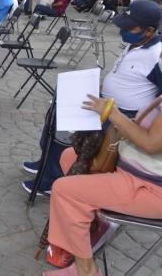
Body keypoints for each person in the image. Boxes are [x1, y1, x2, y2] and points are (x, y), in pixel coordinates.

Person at [23, 0, 162, 196]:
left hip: (120, 115)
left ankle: (51, 180)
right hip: (102, 102)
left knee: (65, 132)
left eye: (129, 27)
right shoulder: (134, 43)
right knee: (58, 109)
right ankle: (46, 162)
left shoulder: (157, 55)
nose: (122, 30)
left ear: (148, 31)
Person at [43, 92, 162, 276]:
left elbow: (151, 144)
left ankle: (86, 271)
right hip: (132, 168)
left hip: (150, 187)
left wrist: (112, 113)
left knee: (65, 190)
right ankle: (96, 227)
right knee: (71, 158)